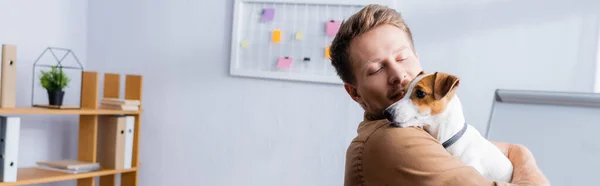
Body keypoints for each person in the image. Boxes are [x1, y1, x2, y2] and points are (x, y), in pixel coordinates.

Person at [330, 4, 550, 186]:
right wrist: (525, 159)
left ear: (417, 58)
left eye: (402, 58)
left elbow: (500, 148)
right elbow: (513, 151)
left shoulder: (422, 129)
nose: (399, 75)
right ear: (355, 93)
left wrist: (517, 152)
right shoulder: (394, 139)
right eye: (377, 69)